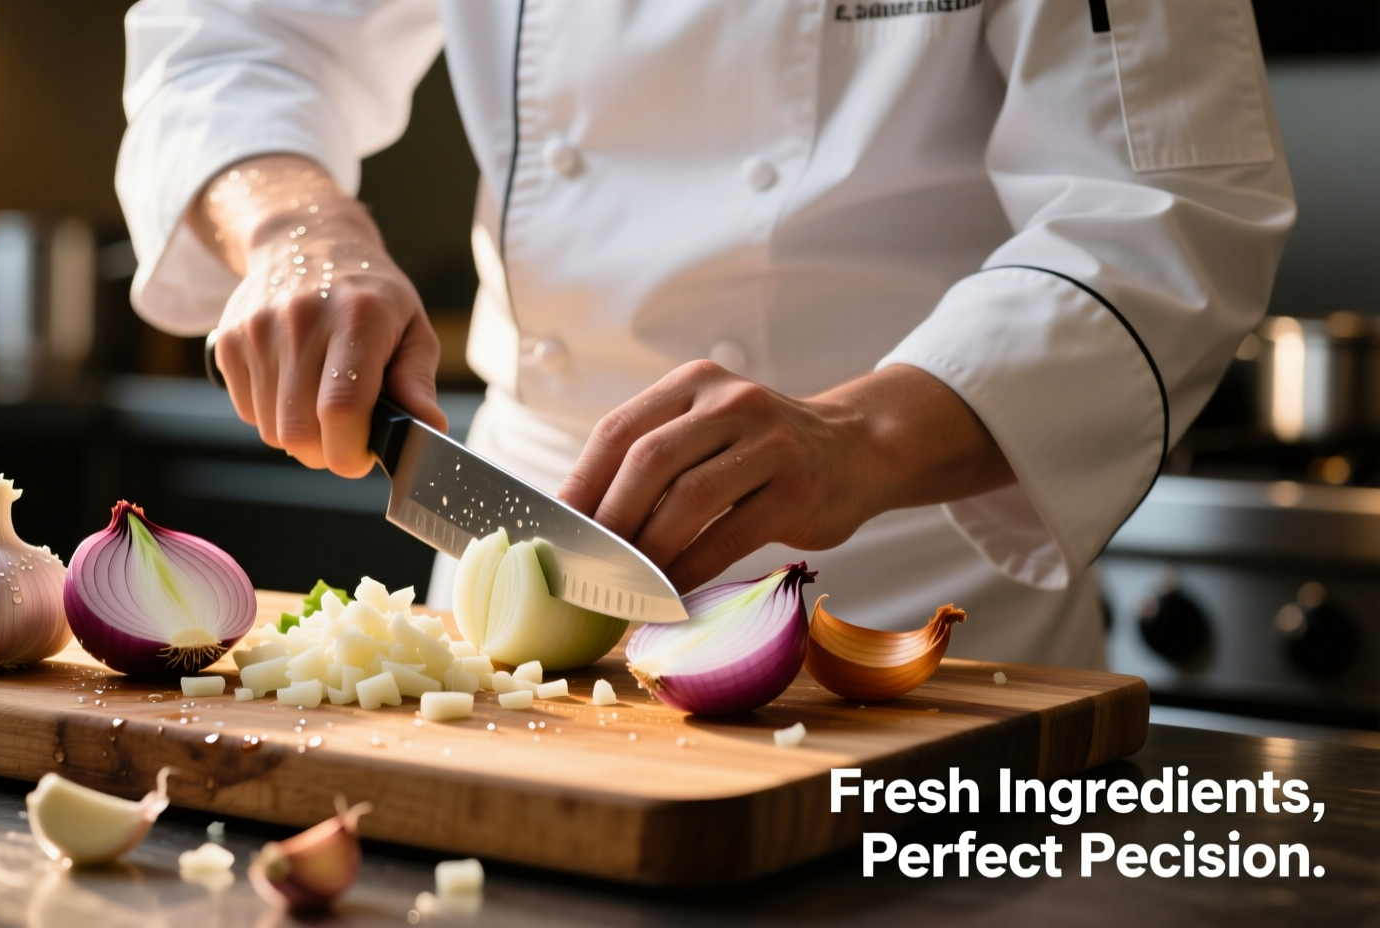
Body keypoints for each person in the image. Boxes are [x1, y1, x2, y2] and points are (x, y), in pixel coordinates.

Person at [117, 1, 1294, 668]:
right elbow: (231, 37)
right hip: (511, 576)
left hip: (907, 603)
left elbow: (1168, 203)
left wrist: (858, 437)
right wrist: (296, 228)